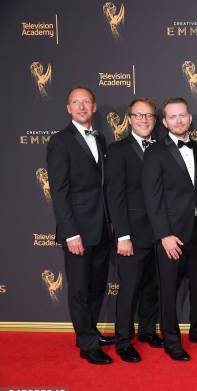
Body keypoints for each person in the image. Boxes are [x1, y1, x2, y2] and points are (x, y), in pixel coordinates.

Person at [142, 97, 197, 362]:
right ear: (164, 122)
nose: (178, 120)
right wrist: (164, 234)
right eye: (172, 117)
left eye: (182, 115)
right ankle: (172, 341)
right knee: (168, 292)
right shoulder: (154, 152)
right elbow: (152, 198)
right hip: (171, 236)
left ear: (189, 118)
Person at [47, 85, 114, 364]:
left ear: (94, 107)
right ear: (68, 108)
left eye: (86, 102)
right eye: (76, 102)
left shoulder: (100, 139)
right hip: (77, 230)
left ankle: (91, 330)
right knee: (78, 288)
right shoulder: (60, 141)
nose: (82, 107)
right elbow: (59, 192)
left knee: (97, 286)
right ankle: (86, 344)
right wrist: (71, 232)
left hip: (101, 228)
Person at [105, 97, 163, 362]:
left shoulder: (162, 148)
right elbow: (115, 196)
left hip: (160, 233)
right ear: (129, 119)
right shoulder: (118, 150)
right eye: (139, 115)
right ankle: (123, 340)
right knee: (129, 288)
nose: (144, 120)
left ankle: (148, 330)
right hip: (132, 234)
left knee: (152, 286)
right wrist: (123, 235)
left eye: (149, 115)